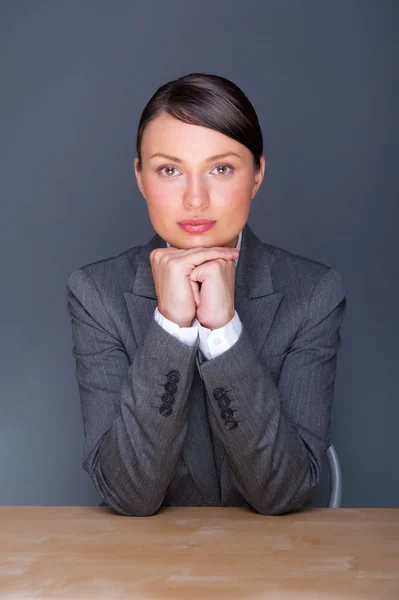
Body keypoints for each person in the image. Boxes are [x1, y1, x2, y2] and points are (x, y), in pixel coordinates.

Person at [66, 72, 347, 516]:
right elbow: (127, 495)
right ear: (141, 178)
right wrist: (170, 329)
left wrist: (225, 333)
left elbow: (283, 493)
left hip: (273, 571)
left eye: (221, 168)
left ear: (256, 175)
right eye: (170, 170)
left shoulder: (312, 294)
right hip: (144, 571)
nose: (195, 200)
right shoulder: (97, 293)